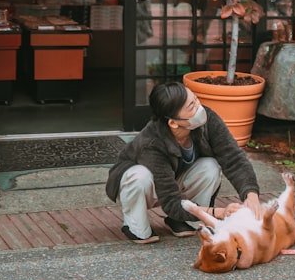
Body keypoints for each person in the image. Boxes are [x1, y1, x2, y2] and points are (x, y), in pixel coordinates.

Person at [105, 81, 264, 243]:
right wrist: (218, 213)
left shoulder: (208, 120)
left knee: (210, 166)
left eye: (196, 100)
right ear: (173, 122)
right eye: (191, 107)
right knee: (140, 176)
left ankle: (184, 221)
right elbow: (171, 202)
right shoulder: (151, 143)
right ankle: (134, 223)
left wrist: (250, 194)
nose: (199, 108)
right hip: (143, 186)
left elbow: (233, 157)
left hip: (176, 178)